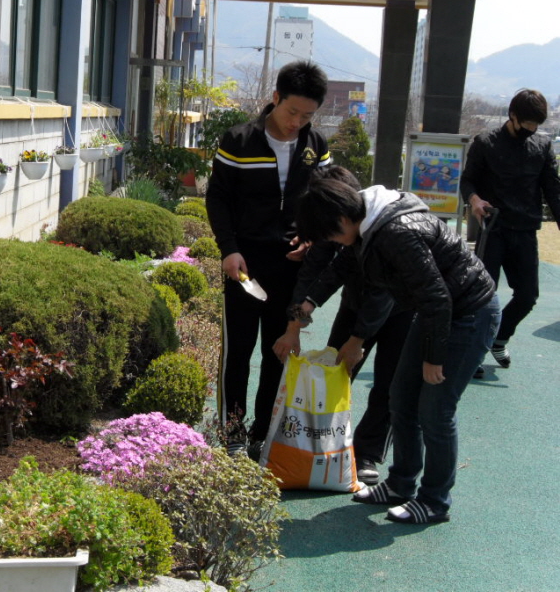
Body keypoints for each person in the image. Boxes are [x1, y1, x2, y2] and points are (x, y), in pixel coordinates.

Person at [295, 177, 499, 524]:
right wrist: (307, 304)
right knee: (401, 398)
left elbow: (438, 297)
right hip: (436, 312)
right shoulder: (367, 225)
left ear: (342, 220)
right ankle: (401, 484)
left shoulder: (395, 233)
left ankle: (434, 501)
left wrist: (434, 357)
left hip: (467, 314)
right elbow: (345, 265)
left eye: (329, 234)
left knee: (435, 409)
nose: (331, 241)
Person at [205, 60, 330, 456]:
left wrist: (311, 240)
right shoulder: (239, 140)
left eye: (307, 115)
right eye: (292, 111)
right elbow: (218, 198)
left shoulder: (316, 147)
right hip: (244, 264)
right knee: (238, 351)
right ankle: (232, 431)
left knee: (278, 350)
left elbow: (324, 201)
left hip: (291, 267)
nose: (297, 121)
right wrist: (229, 249)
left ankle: (264, 431)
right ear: (274, 98)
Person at [273, 165, 414, 485]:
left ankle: (366, 452)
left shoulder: (380, 228)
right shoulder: (329, 226)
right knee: (333, 372)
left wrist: (358, 340)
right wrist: (294, 325)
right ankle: (323, 442)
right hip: (355, 303)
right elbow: (317, 277)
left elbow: (383, 293)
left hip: (404, 308)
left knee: (390, 384)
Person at [460, 88, 560, 376]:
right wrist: (475, 199)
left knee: (528, 296)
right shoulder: (486, 142)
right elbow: (468, 182)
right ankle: (474, 351)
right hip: (494, 230)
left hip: (526, 231)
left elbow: (553, 191)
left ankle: (499, 338)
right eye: (527, 123)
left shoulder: (541, 146)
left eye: (536, 125)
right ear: (512, 115)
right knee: (482, 295)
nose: (532, 130)